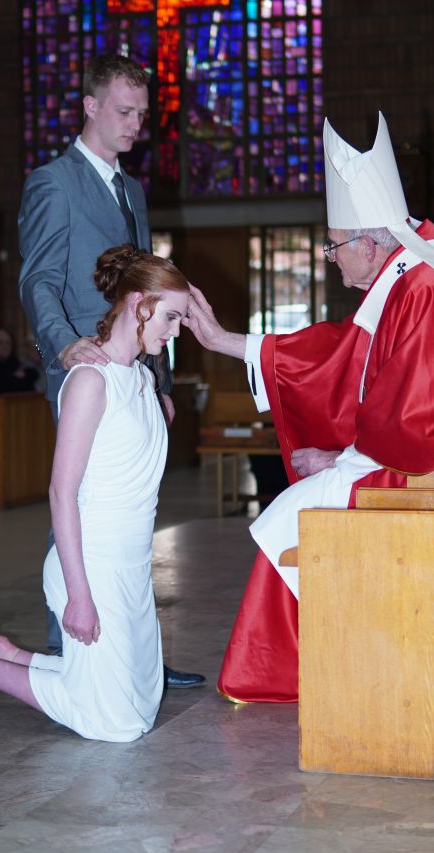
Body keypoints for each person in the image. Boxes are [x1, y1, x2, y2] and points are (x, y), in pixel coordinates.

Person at [183, 112, 434, 704]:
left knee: (291, 517)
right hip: (395, 457)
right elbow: (340, 355)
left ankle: (286, 674)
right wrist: (226, 342)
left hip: (410, 470)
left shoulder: (419, 286)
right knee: (290, 512)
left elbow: (411, 415)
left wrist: (342, 459)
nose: (329, 256)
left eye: (333, 245)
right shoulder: (403, 278)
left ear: (368, 244)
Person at [0, 247, 192, 740]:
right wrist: (79, 595)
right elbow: (61, 493)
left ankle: (6, 653)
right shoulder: (90, 380)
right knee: (117, 723)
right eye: (171, 317)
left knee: (143, 700)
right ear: (137, 303)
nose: (175, 331)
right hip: (90, 563)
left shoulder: (143, 379)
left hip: (131, 564)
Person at [18, 53, 204, 688]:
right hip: (86, 365)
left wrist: (160, 379)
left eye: (142, 115)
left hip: (134, 369)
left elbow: (149, 292)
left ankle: (132, 646)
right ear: (90, 106)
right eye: (124, 112)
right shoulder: (53, 182)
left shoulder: (133, 190)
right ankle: (74, 652)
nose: (135, 125)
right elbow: (38, 279)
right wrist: (64, 345)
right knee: (81, 498)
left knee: (132, 506)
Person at [0, 329, 38, 396]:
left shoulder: (14, 362)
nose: (5, 346)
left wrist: (25, 374)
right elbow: (1, 387)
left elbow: (34, 374)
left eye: (8, 343)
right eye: (0, 343)